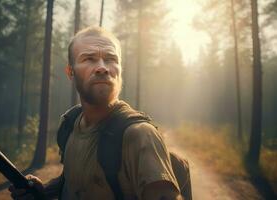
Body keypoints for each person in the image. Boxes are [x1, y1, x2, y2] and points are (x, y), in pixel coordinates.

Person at [9, 26, 181, 200]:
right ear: (70, 72)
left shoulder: (140, 135)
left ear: (120, 70)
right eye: (89, 59)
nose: (102, 68)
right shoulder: (71, 123)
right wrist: (43, 190)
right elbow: (74, 179)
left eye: (111, 59)